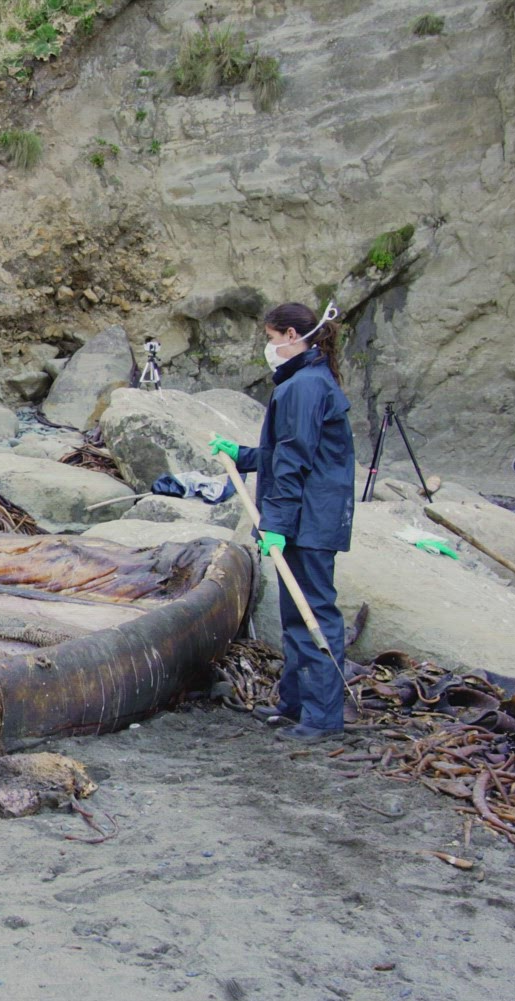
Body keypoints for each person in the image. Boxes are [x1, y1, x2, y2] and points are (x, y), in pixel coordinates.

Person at [207, 301, 356, 742]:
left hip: (311, 518)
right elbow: (282, 451)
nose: (268, 348)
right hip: (305, 517)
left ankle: (323, 718)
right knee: (294, 615)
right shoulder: (304, 380)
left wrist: (276, 522)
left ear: (292, 336)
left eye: (271, 339)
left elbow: (294, 461)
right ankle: (294, 704)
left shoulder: (306, 385)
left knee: (314, 613)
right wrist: (244, 456)